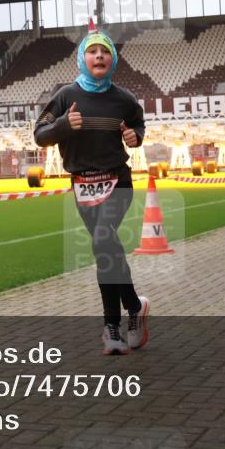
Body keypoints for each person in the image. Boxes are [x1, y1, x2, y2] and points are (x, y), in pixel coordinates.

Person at [34, 19, 148, 355]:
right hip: (82, 184)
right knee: (107, 250)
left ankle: (110, 326)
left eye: (105, 52)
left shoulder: (124, 99)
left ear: (112, 60)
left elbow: (139, 125)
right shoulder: (66, 95)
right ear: (82, 59)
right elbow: (40, 135)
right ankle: (134, 307)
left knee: (102, 242)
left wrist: (135, 136)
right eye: (92, 51)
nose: (99, 56)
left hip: (118, 181)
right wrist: (62, 124)